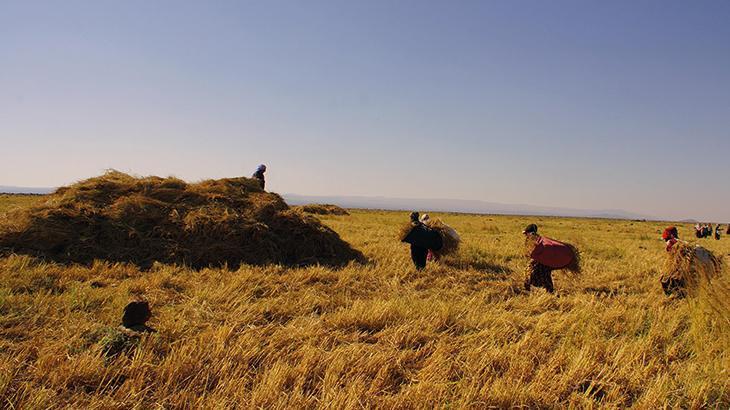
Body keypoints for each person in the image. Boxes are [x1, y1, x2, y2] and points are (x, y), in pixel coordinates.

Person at [660, 226, 722, 297]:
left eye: (665, 239)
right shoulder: (684, 243)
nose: (665, 241)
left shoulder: (672, 243)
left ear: (670, 236)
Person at [523, 224, 580, 293]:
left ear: (530, 233)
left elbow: (538, 252)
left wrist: (533, 260)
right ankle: (533, 288)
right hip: (546, 260)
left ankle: (548, 290)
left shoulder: (536, 240)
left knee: (539, 271)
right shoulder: (535, 240)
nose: (525, 235)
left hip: (548, 260)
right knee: (537, 271)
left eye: (526, 233)